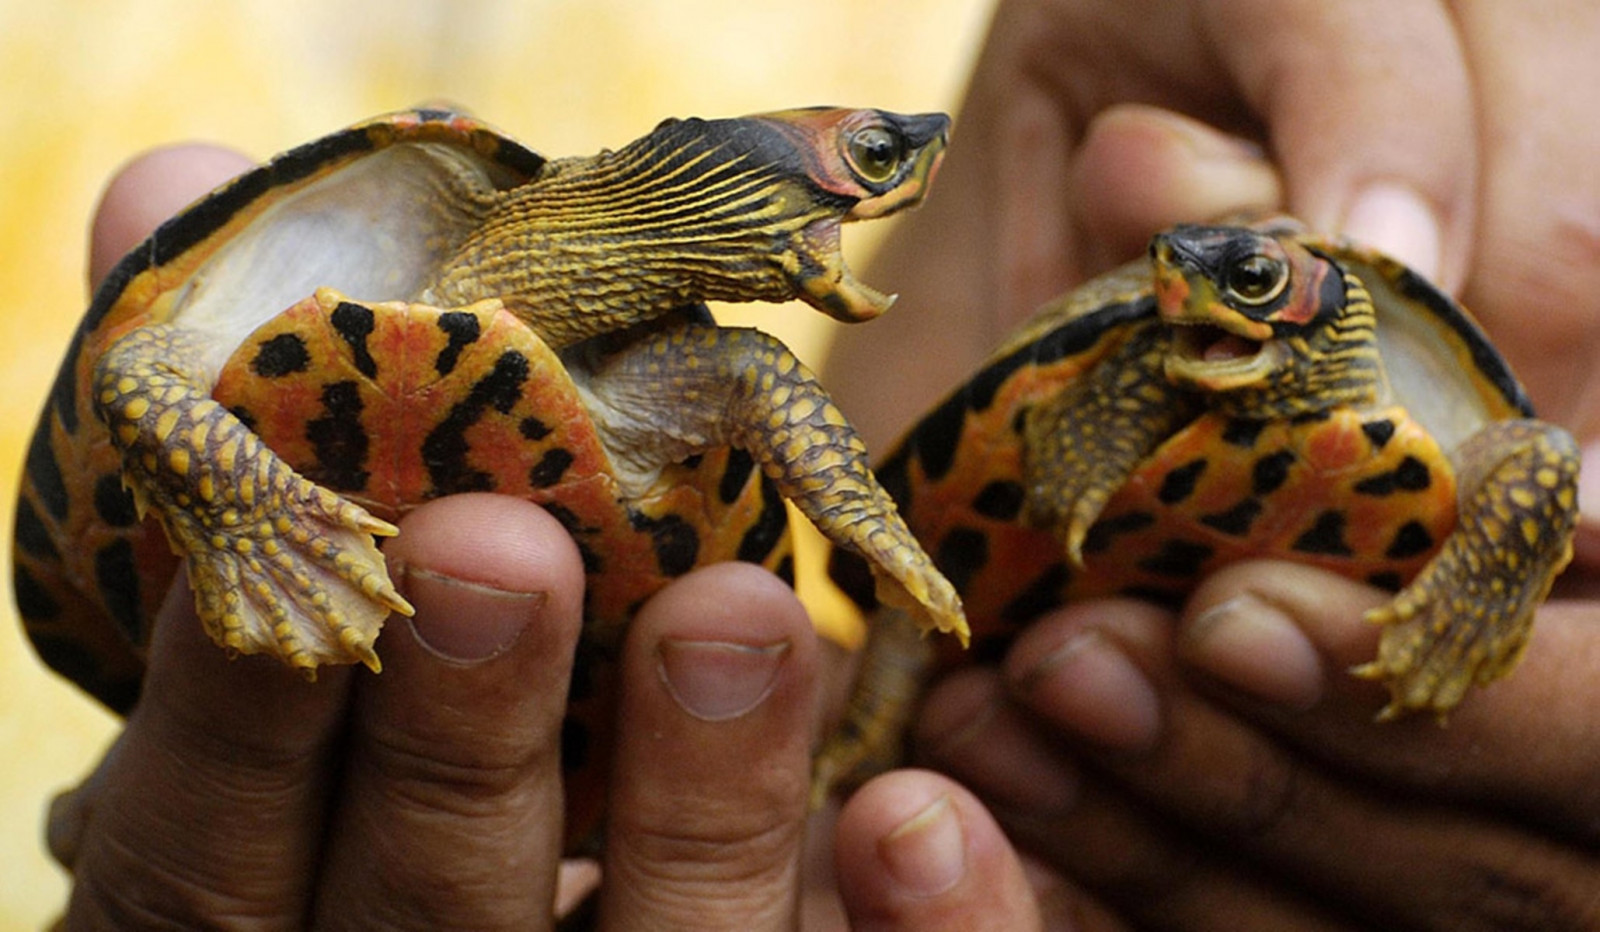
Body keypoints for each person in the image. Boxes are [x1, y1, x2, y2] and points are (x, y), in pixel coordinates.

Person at [48, 0, 1600, 927]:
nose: (891, 183)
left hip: (669, 664)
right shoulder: (393, 217)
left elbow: (783, 413)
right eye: (867, 168)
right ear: (707, 184)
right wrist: (239, 502)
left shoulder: (719, 368)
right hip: (209, 611)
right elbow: (141, 372)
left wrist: (894, 570)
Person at [823, 0, 1600, 927]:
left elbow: (1539, 461)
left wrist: (1477, 602)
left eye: (1254, 282)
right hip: (1009, 626)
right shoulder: (1161, 352)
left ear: (1327, 308)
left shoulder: (1414, 382)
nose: (1191, 295)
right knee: (899, 656)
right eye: (1176, 281)